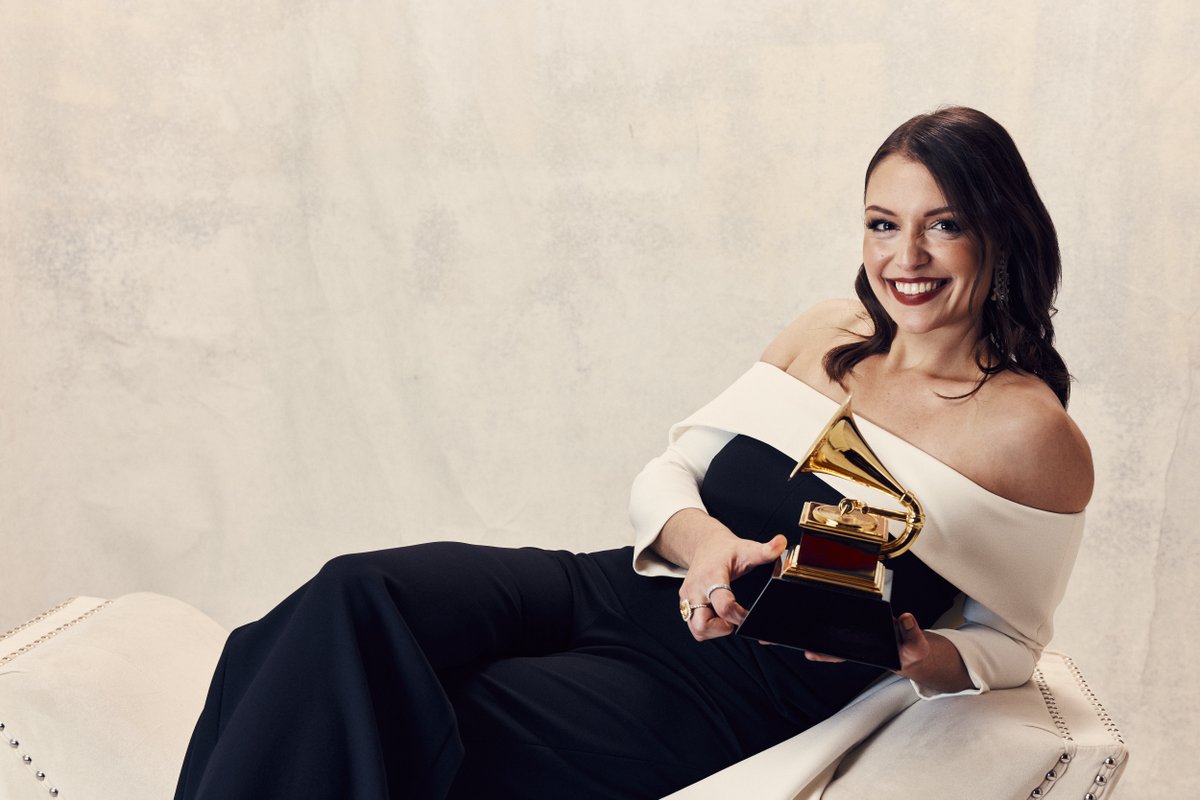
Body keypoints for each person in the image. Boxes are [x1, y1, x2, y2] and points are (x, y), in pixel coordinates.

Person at [174, 106, 1091, 799]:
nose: (908, 256)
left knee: (406, 705)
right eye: (883, 222)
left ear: (999, 231)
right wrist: (703, 548)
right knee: (343, 601)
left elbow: (1014, 640)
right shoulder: (828, 331)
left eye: (946, 224)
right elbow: (671, 471)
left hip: (723, 688)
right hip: (618, 585)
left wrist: (919, 653)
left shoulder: (1026, 430)